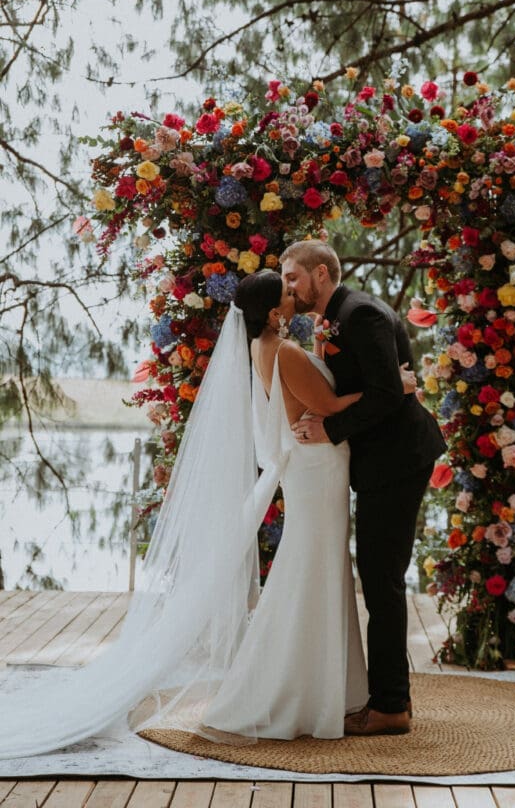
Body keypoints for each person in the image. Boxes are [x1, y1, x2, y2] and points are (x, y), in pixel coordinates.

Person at [0, 269, 415, 759]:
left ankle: (327, 689)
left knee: (318, 575)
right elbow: (326, 406)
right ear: (274, 310)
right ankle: (284, 691)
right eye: (286, 290)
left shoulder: (270, 348)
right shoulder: (281, 350)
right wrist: (399, 387)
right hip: (316, 470)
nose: (293, 293)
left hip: (316, 471)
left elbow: (311, 401)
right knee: (309, 576)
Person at [280, 240, 447, 737]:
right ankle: (389, 697)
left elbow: (388, 395)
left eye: (293, 277)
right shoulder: (339, 316)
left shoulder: (362, 315)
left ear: (322, 274)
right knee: (379, 577)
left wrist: (329, 431)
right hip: (381, 462)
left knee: (382, 581)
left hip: (397, 460)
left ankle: (391, 706)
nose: (289, 287)